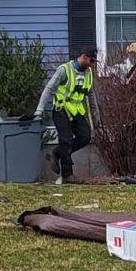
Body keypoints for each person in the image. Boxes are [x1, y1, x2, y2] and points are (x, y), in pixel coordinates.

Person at [35, 45, 96, 182]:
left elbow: (91, 95)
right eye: (91, 60)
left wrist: (95, 115)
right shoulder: (64, 70)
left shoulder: (88, 73)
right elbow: (48, 88)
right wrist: (39, 110)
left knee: (85, 137)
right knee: (66, 140)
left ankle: (56, 153)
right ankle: (68, 175)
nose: (92, 64)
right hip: (61, 109)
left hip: (76, 110)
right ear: (84, 57)